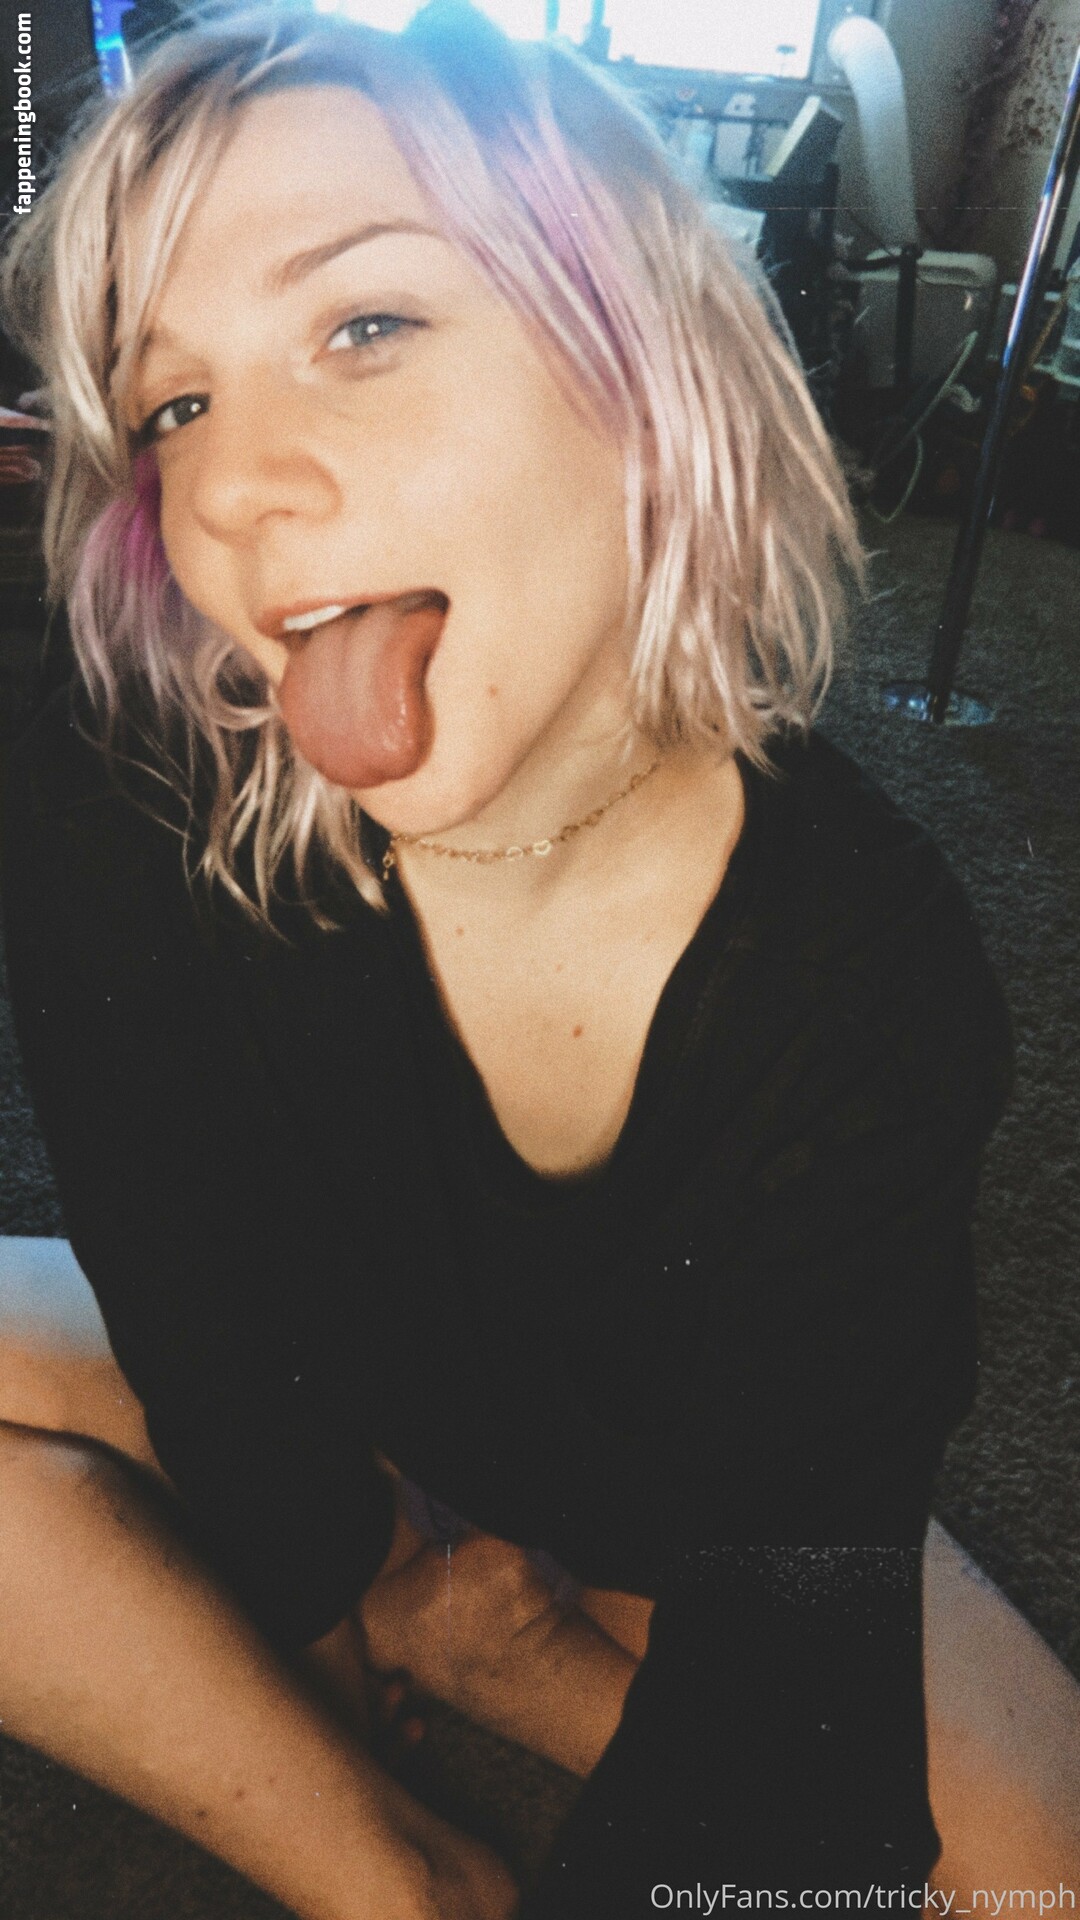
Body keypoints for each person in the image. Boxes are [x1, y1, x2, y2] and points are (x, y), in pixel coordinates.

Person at [0, 6, 1013, 1917]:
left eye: (365, 324)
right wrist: (329, 1683)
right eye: (174, 406)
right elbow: (188, 1297)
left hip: (661, 1494)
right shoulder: (130, 771)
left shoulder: (862, 971)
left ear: (637, 360)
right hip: (329, 1370)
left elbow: (793, 1669)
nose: (231, 489)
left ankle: (511, 1641)